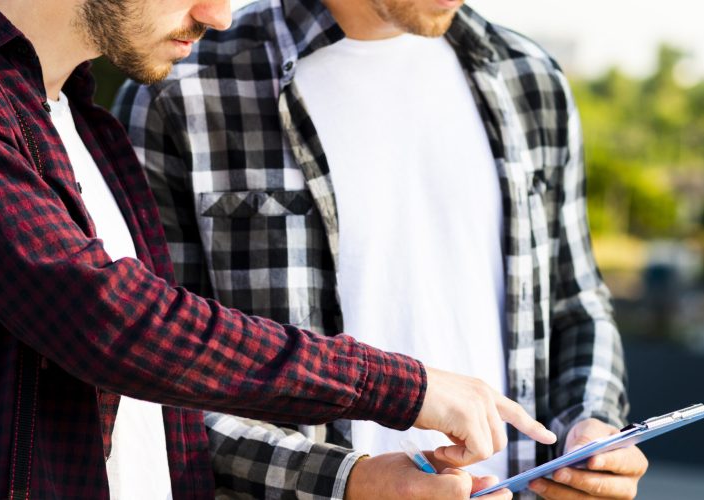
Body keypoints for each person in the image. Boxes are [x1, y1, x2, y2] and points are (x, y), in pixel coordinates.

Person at [0, 0, 556, 498]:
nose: (218, 14)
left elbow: (172, 389)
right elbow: (115, 322)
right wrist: (402, 387)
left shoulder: (89, 128)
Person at [115, 0, 650, 498]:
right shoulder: (184, 87)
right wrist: (349, 482)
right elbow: (154, 373)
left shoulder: (528, 77)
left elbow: (576, 304)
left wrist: (592, 427)